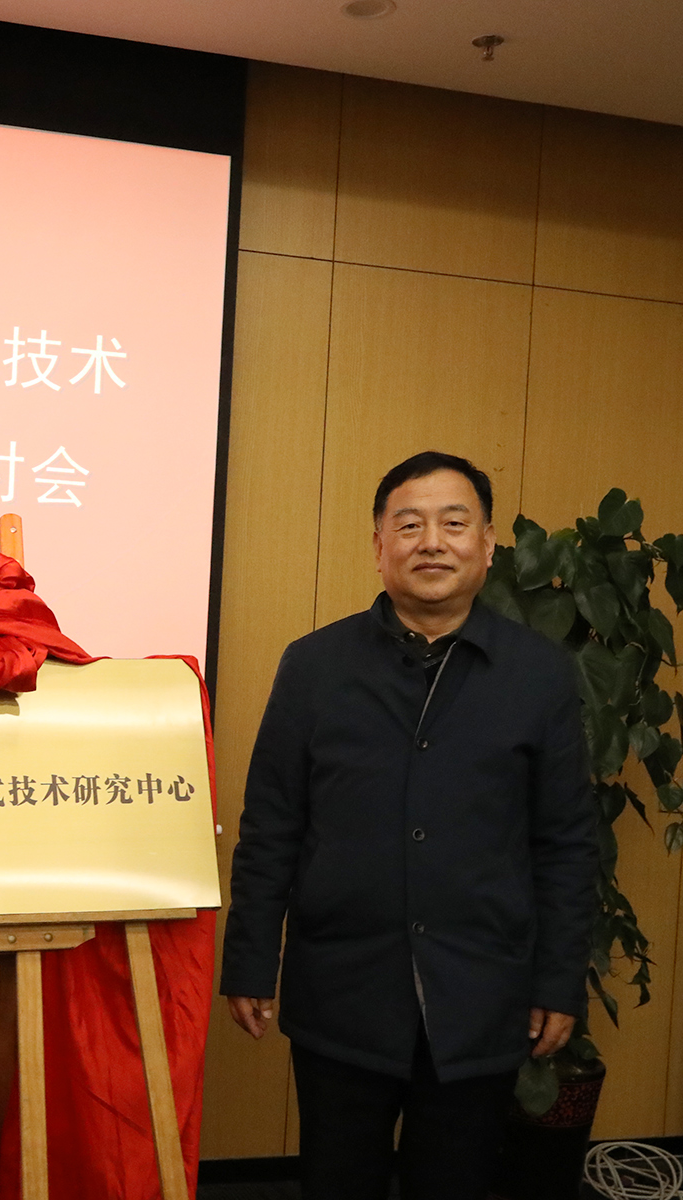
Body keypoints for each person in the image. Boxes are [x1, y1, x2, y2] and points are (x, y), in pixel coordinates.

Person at [220, 450, 595, 1200]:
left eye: (454, 524)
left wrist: (558, 979)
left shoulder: (540, 675)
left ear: (486, 544)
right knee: (337, 1182)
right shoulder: (314, 666)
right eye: (410, 524)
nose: (432, 542)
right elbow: (272, 825)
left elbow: (564, 842)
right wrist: (252, 960)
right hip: (343, 989)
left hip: (481, 992)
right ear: (379, 545)